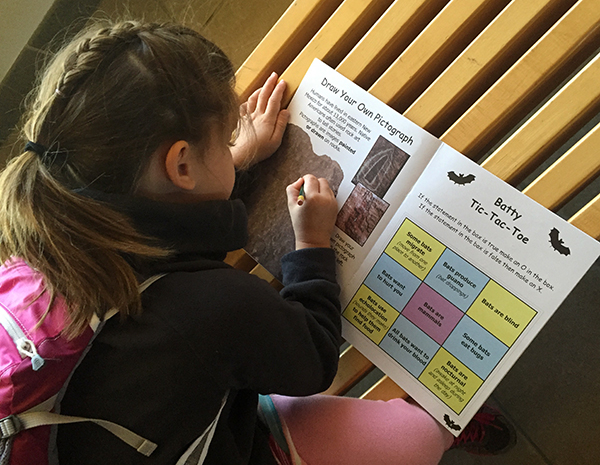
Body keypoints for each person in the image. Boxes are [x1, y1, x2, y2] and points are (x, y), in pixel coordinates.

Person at [0, 19, 515, 465]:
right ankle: (439, 428)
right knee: (412, 440)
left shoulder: (53, 231)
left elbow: (159, 248)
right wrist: (311, 246)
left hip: (152, 420)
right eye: (224, 141)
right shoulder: (210, 308)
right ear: (180, 166)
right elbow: (312, 355)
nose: (233, 146)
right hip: (227, 443)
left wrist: (233, 164)